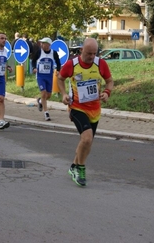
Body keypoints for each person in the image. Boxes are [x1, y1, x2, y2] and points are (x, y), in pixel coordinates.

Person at [57, 38, 113, 187]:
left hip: (95, 110)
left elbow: (109, 81)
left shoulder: (100, 64)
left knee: (86, 143)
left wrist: (107, 92)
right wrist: (63, 94)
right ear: (82, 50)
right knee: (87, 138)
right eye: (89, 53)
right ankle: (80, 170)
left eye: (94, 53)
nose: (91, 56)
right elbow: (60, 78)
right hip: (77, 107)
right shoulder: (72, 65)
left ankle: (74, 166)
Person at [32, 37, 61, 121]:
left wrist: (58, 70)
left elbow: (58, 62)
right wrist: (34, 68)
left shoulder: (53, 53)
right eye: (41, 43)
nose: (42, 44)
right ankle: (46, 113)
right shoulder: (39, 52)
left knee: (48, 95)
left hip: (49, 76)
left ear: (48, 45)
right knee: (44, 93)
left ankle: (40, 101)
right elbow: (33, 61)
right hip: (40, 76)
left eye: (44, 43)